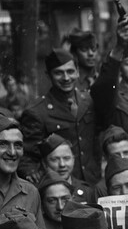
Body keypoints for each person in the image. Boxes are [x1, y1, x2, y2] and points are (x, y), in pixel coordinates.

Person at [19, 49, 99, 184]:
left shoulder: (90, 101)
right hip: (59, 188)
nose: (66, 78)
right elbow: (26, 157)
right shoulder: (37, 111)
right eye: (58, 73)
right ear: (48, 75)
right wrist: (33, 174)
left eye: (70, 71)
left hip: (92, 183)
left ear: (78, 72)